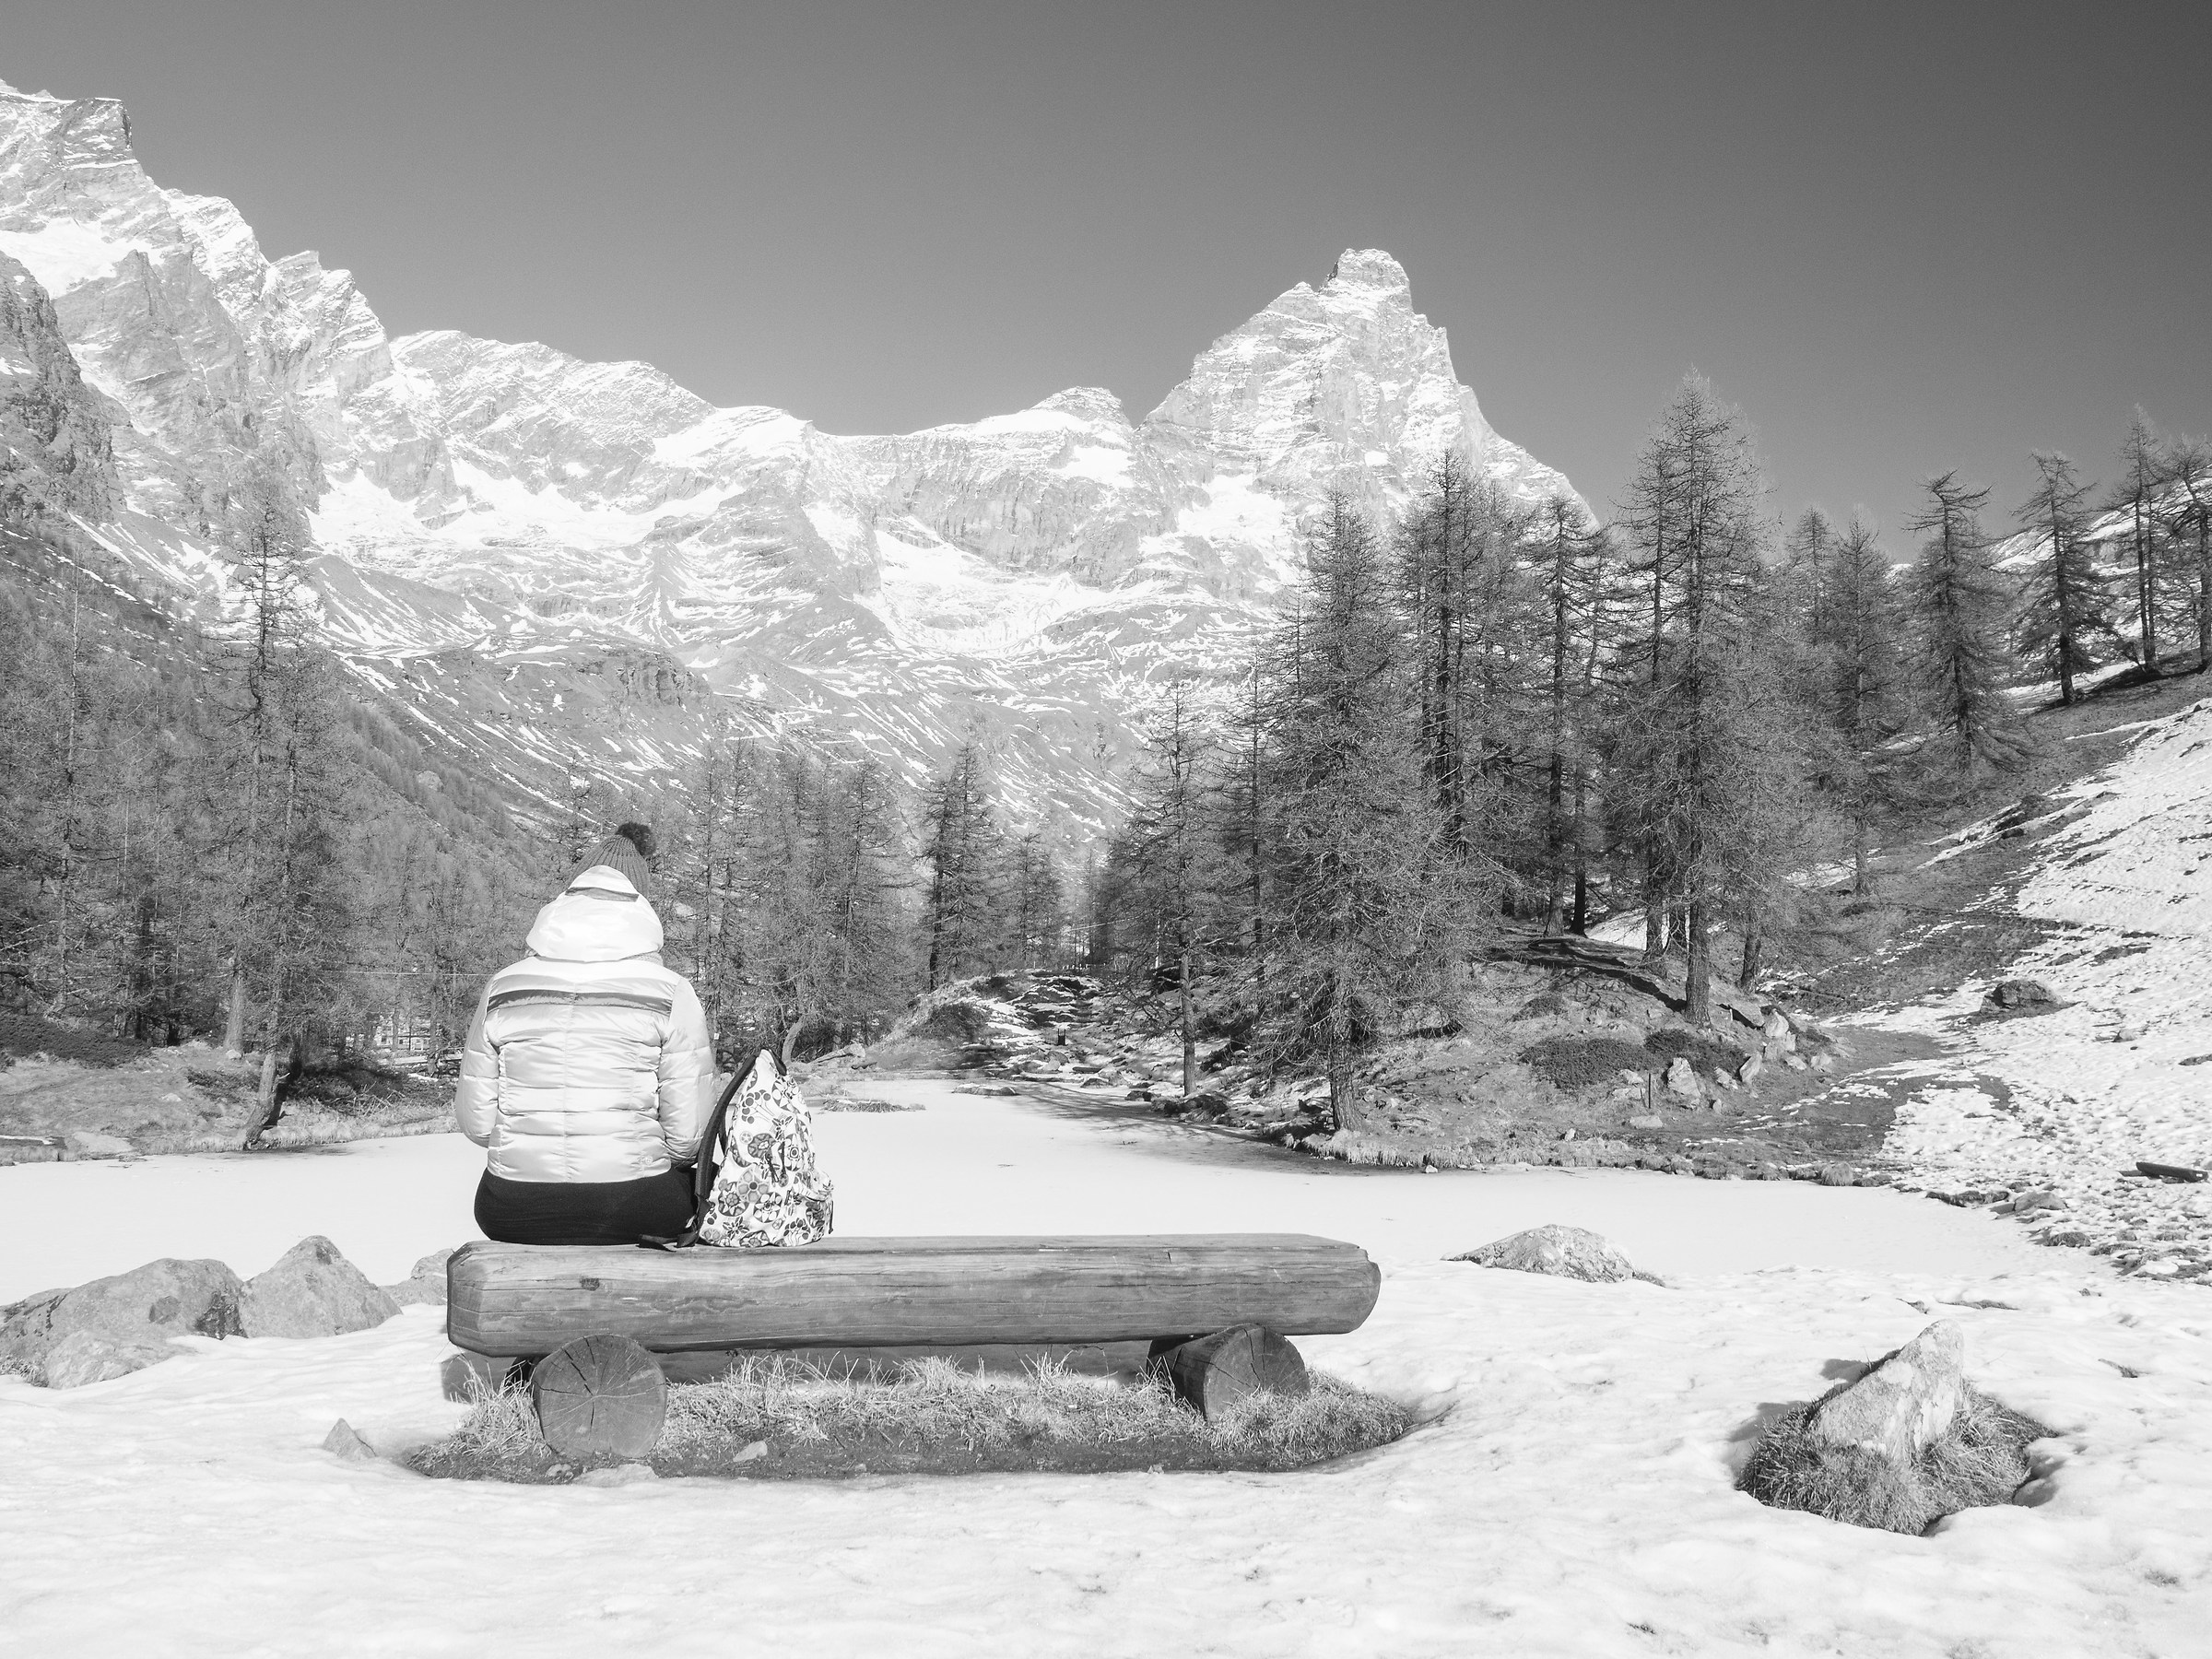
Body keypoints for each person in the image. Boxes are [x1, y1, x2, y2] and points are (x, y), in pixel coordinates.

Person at [454, 823, 717, 1246]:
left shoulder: (504, 986)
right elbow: (688, 1139)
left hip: (510, 1207)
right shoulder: (670, 991)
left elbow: (477, 1124)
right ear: (640, 904)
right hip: (632, 1205)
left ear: (565, 900)